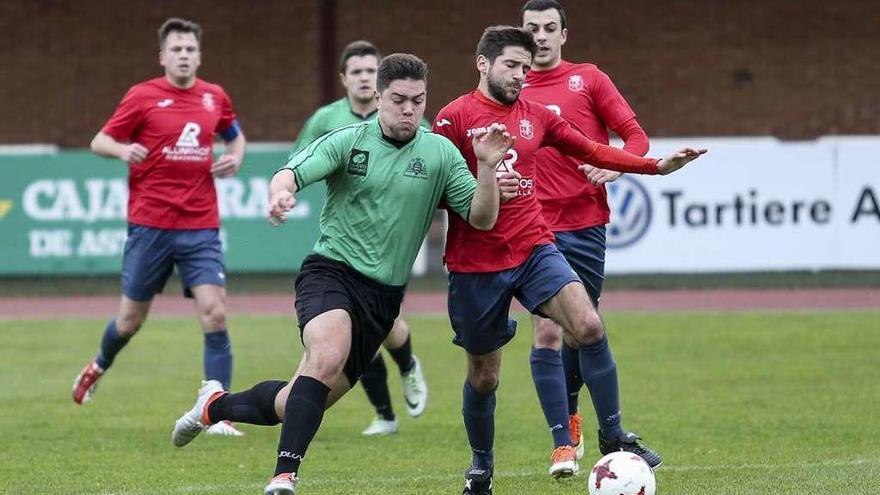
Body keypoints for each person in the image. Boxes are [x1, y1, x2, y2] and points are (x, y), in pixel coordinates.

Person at [171, 53, 519, 495]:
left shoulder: (440, 152)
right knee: (327, 355)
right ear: (378, 98)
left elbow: (481, 217)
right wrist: (281, 195)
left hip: (384, 298)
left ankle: (214, 407)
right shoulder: (347, 140)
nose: (409, 109)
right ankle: (284, 475)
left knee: (294, 401)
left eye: (418, 100)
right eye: (398, 100)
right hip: (331, 272)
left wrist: (486, 169)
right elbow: (290, 173)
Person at [432, 26, 705, 492]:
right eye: (510, 66)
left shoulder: (535, 116)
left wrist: (655, 166)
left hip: (535, 246)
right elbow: (432, 187)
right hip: (476, 263)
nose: (520, 75)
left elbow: (593, 149)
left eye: (524, 66)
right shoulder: (453, 118)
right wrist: (483, 184)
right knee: (484, 375)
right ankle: (481, 466)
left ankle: (613, 433)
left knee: (589, 325)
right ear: (483, 63)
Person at [71, 18, 247, 437]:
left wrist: (236, 156)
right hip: (150, 225)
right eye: (177, 49)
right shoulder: (142, 96)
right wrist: (121, 148)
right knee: (130, 321)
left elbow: (235, 137)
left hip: (200, 225)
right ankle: (99, 364)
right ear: (163, 56)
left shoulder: (214, 97)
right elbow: (99, 140)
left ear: (199, 55)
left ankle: (216, 410)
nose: (184, 55)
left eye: (190, 49)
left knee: (216, 313)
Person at [520, 0, 652, 466]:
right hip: (532, 227)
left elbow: (636, 138)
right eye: (531, 28)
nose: (540, 36)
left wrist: (616, 170)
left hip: (586, 223)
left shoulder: (589, 78)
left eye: (549, 28)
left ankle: (582, 420)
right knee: (547, 332)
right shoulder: (511, 87)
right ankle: (563, 441)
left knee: (582, 329)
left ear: (563, 35)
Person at [291, 40, 428, 436]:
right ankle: (385, 414)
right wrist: (287, 188)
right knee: (344, 334)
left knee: (389, 328)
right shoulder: (327, 119)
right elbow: (300, 161)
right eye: (357, 72)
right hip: (346, 243)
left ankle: (408, 366)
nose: (365, 77)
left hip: (387, 251)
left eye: (371, 70)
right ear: (345, 79)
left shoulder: (410, 120)